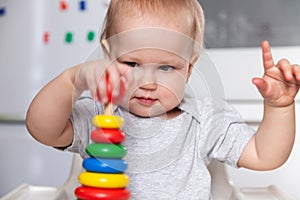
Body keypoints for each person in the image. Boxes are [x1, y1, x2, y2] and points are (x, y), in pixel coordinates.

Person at [26, 0, 300, 199]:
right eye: (131, 63)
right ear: (107, 58)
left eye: (167, 67)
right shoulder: (99, 115)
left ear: (189, 69)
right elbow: (42, 129)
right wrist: (72, 80)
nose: (147, 82)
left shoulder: (204, 121)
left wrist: (279, 107)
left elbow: (265, 156)